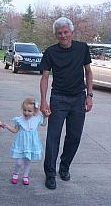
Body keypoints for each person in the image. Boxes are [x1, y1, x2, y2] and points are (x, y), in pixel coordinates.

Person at [40, 17, 93, 189]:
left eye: (65, 32)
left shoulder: (82, 48)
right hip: (58, 98)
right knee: (53, 137)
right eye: (59, 33)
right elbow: (45, 77)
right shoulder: (50, 52)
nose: (63, 36)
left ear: (71, 31)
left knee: (74, 137)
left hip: (78, 98)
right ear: (56, 35)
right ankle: (50, 174)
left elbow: (88, 72)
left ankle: (64, 167)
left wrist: (89, 95)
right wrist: (43, 100)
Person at [4, 97, 49, 185]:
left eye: (29, 111)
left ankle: (25, 176)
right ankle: (16, 173)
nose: (26, 113)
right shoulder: (19, 120)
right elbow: (15, 130)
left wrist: (45, 117)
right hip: (21, 143)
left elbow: (43, 124)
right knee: (19, 162)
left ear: (34, 111)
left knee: (28, 161)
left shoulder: (37, 118)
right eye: (24, 110)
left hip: (31, 144)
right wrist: (6, 126)